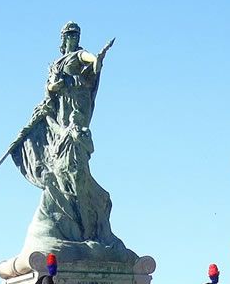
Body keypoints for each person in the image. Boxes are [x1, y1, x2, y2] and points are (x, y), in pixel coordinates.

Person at [10, 21, 136, 263]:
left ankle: (87, 225)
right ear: (63, 38)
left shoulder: (80, 55)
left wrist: (98, 59)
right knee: (59, 159)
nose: (74, 38)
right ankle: (73, 218)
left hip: (76, 106)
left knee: (75, 157)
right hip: (60, 111)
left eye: (76, 34)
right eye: (70, 35)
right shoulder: (56, 64)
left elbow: (91, 61)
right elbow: (50, 91)